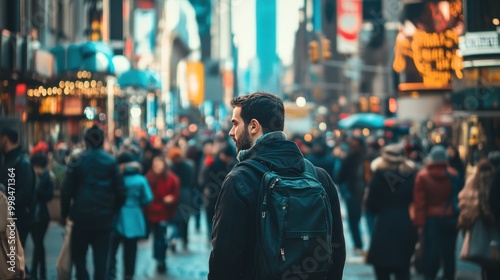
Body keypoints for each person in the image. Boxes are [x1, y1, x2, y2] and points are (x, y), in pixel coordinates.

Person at [208, 91, 345, 280]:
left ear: (253, 126)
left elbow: (225, 261)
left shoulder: (239, 181)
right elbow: (336, 248)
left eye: (235, 123)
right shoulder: (320, 177)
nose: (231, 132)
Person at [60, 125, 126, 280]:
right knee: (101, 260)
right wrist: (112, 210)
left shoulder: (77, 160)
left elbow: (66, 189)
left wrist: (65, 214)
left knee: (79, 258)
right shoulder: (110, 162)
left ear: (85, 141)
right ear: (102, 141)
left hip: (81, 217)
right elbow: (121, 192)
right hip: (103, 218)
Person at [365, 144, 418, 280]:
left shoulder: (378, 175)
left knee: (382, 270)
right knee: (403, 268)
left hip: (384, 224)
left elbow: (371, 205)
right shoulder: (410, 174)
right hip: (405, 223)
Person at [413, 145, 459, 280]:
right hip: (450, 216)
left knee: (431, 251)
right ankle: (448, 276)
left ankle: (430, 276)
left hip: (430, 218)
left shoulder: (422, 176)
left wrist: (419, 224)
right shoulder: (453, 174)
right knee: (449, 252)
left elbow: (419, 203)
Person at [109, 152, 153, 280]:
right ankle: (128, 276)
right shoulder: (140, 179)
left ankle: (111, 275)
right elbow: (148, 198)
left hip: (116, 217)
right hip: (134, 217)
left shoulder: (116, 178)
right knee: (131, 252)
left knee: (112, 251)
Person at [458, 157, 500, 279]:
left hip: (480, 222)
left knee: (485, 256)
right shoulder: (493, 178)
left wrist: (466, 223)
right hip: (494, 222)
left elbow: (465, 201)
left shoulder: (473, 180)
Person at [0, 127, 35, 249]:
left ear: (5, 139)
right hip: (7, 219)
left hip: (17, 220)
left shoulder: (21, 162)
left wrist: (6, 204)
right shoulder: (7, 160)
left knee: (13, 261)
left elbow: (24, 194)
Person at [144, 155, 180, 273]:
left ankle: (160, 258)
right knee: (158, 237)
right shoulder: (149, 178)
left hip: (166, 212)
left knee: (162, 237)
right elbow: (146, 197)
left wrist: (171, 199)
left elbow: (175, 192)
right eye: (155, 165)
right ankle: (160, 259)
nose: (157, 168)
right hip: (154, 213)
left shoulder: (171, 178)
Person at [200, 145, 236, 239]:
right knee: (210, 216)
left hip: (225, 197)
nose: (230, 159)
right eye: (228, 157)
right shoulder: (211, 163)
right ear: (222, 155)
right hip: (212, 196)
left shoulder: (232, 165)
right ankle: (211, 235)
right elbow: (203, 179)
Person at [337, 136, 367, 253]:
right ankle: (359, 244)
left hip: (354, 192)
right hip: (360, 192)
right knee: (359, 219)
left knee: (354, 220)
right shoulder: (366, 158)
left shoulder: (349, 158)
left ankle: (358, 244)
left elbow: (339, 177)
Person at [30, 153, 55, 280]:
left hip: (42, 216)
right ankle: (41, 272)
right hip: (32, 215)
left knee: (38, 244)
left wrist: (38, 189)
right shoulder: (30, 177)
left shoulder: (46, 178)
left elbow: (49, 195)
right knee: (39, 245)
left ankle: (36, 273)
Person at [168, 147, 195, 251]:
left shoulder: (171, 168)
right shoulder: (188, 166)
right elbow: (192, 181)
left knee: (174, 219)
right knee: (184, 219)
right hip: (185, 193)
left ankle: (174, 239)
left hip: (174, 193)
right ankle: (184, 240)